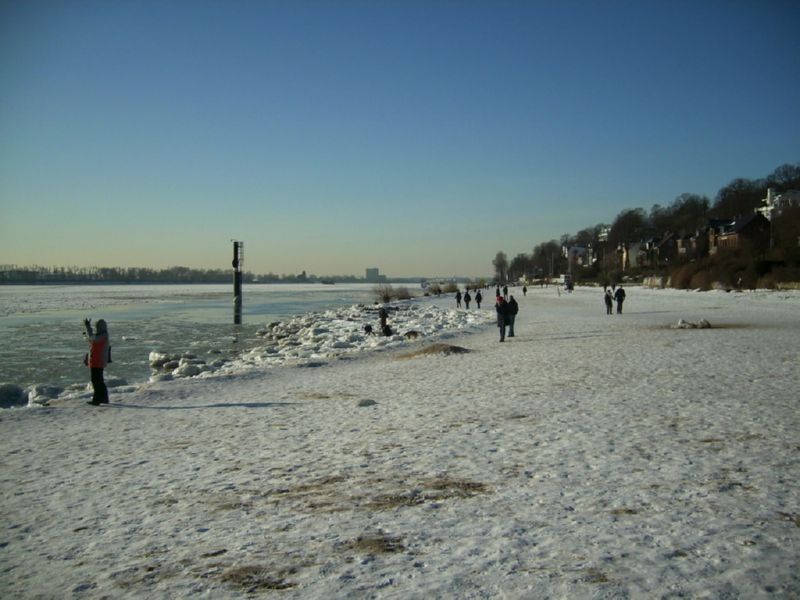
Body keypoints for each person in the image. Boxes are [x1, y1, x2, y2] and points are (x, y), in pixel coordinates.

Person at [84, 318, 110, 405]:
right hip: (95, 361)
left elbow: (92, 338)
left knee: (97, 381)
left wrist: (88, 327)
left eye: (97, 326)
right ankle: (103, 398)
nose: (96, 328)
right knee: (98, 381)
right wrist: (87, 358)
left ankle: (98, 399)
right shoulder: (101, 336)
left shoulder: (103, 336)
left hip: (98, 362)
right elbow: (92, 343)